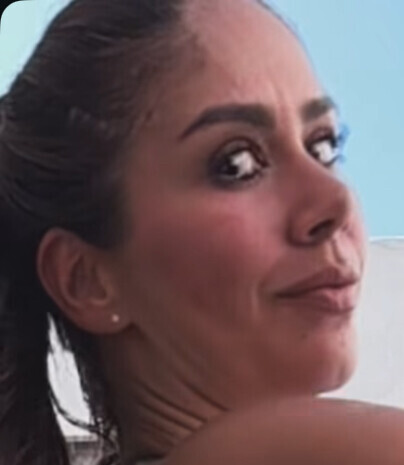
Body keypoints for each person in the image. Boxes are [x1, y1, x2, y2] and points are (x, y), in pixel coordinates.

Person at [2, 1, 403, 465]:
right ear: (85, 279)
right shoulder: (280, 451)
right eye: (237, 164)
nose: (336, 201)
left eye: (324, 147)